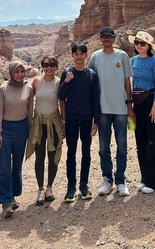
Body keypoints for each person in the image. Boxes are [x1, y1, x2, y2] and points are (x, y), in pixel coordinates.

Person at [88, 26, 136, 196]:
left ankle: (121, 180)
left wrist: (129, 105)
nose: (107, 39)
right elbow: (90, 79)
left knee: (122, 146)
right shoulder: (95, 57)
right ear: (100, 39)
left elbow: (127, 81)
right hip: (102, 109)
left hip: (121, 109)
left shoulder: (122, 56)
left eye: (110, 37)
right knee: (103, 148)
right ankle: (107, 180)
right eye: (104, 37)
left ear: (114, 38)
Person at [58, 42, 100, 202]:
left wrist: (96, 121)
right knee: (71, 153)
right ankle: (71, 187)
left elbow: (95, 99)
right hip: (71, 120)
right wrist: (67, 81)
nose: (79, 56)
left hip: (87, 119)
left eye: (82, 53)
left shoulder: (91, 74)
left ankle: (84, 185)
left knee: (86, 153)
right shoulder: (67, 73)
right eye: (76, 53)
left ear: (86, 55)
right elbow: (61, 96)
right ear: (72, 55)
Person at [0, 60, 33, 218]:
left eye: (22, 71)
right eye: (16, 71)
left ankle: (13, 195)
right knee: (3, 165)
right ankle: (5, 201)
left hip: (22, 128)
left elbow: (29, 111)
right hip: (6, 129)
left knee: (17, 164)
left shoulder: (28, 88)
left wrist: (30, 131)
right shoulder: (3, 88)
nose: (20, 74)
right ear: (11, 73)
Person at [129, 30, 155, 194]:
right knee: (141, 142)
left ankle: (154, 182)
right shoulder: (132, 61)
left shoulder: (154, 62)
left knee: (153, 142)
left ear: (148, 46)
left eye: (142, 43)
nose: (138, 46)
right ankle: (145, 178)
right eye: (136, 42)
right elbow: (128, 81)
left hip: (152, 104)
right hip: (138, 105)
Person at [26, 55, 63, 205]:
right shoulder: (36, 81)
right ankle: (40, 189)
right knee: (39, 156)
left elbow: (62, 103)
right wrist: (28, 121)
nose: (49, 68)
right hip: (38, 123)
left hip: (54, 122)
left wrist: (65, 122)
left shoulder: (58, 82)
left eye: (52, 65)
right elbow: (29, 102)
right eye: (46, 65)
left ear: (56, 67)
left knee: (53, 155)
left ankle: (50, 187)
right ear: (42, 66)